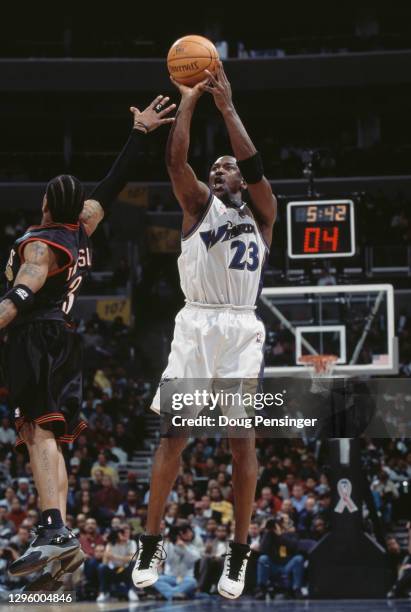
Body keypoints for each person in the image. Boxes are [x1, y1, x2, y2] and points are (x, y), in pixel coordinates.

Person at [2, 96, 175, 589]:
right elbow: (113, 185)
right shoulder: (83, 225)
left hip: (34, 337)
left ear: (43, 203)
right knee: (47, 436)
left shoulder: (38, 245)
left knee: (36, 433)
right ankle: (57, 531)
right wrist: (140, 134)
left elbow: (20, 294)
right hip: (65, 339)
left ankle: (52, 528)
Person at [132, 62, 277, 599]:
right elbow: (175, 159)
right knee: (175, 434)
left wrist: (228, 107)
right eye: (213, 168)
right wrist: (190, 97)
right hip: (195, 322)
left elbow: (257, 168)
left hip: (241, 327)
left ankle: (238, 553)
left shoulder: (263, 213)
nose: (218, 171)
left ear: (241, 176)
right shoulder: (197, 206)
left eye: (226, 167)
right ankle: (151, 541)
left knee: (242, 442)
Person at [97, 523, 138, 603]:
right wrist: (106, 556)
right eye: (122, 533)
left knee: (133, 564)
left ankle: (131, 591)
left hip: (125, 570)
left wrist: (115, 556)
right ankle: (104, 592)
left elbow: (132, 558)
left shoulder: (131, 543)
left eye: (127, 532)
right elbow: (105, 562)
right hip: (114, 570)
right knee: (101, 567)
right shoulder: (110, 544)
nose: (125, 534)